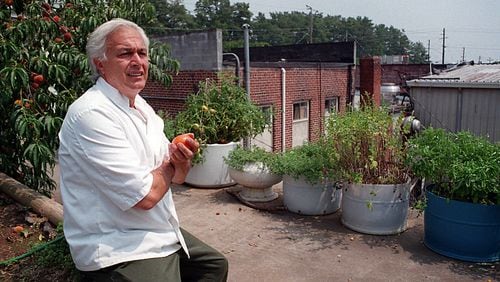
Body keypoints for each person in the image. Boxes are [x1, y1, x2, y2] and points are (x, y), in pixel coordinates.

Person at [58, 18, 228, 281]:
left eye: (142, 53)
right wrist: (171, 165)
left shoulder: (142, 107)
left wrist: (181, 160)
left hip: (156, 230)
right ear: (100, 64)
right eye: (125, 53)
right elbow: (146, 197)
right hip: (118, 246)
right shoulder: (91, 114)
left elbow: (179, 177)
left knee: (214, 266)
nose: (137, 61)